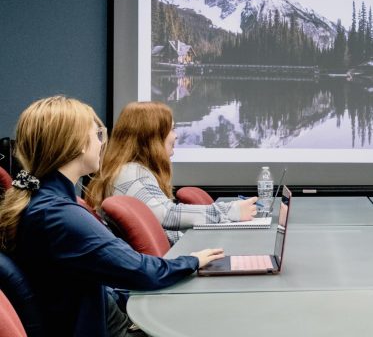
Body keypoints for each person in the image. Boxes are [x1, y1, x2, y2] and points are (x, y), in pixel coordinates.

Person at [0, 96, 225, 336]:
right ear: (76, 144)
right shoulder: (58, 215)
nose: (101, 144)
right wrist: (193, 261)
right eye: (97, 135)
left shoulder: (43, 202)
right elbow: (141, 271)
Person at [87, 101, 257, 245]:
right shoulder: (132, 174)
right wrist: (230, 211)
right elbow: (168, 215)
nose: (176, 137)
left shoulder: (129, 170)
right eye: (172, 129)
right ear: (151, 136)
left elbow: (163, 230)